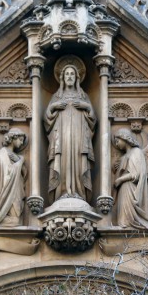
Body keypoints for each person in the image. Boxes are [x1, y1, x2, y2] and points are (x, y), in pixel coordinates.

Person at [45, 63, 96, 202]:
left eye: (72, 74)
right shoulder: (57, 96)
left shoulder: (83, 96)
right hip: (61, 136)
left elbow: (93, 119)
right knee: (62, 160)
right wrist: (54, 106)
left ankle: (78, 192)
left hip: (79, 136)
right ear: (62, 77)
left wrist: (86, 106)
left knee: (79, 161)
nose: (69, 76)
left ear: (77, 77)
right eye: (67, 74)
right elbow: (47, 118)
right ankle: (62, 192)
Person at [0, 128, 26, 227]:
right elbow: (6, 174)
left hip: (16, 188)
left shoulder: (14, 155)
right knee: (15, 221)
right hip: (8, 190)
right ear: (13, 138)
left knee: (16, 220)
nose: (21, 143)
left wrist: (20, 161)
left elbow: (24, 173)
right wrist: (20, 162)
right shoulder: (3, 152)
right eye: (20, 140)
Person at [113, 128, 148, 229]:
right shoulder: (126, 155)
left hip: (130, 187)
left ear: (125, 138)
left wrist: (120, 179)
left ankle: (130, 225)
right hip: (124, 188)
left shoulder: (136, 152)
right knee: (122, 219)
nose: (116, 144)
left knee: (127, 219)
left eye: (117, 141)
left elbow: (136, 174)